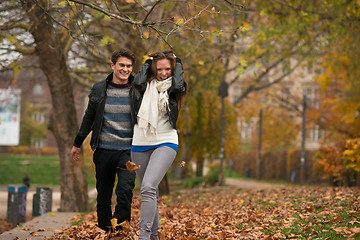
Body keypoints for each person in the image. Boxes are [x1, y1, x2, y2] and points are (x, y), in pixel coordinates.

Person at [71, 48, 136, 232]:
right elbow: (89, 118)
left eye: (129, 66)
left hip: (128, 151)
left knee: (125, 191)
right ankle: (105, 231)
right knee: (103, 197)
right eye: (122, 65)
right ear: (112, 65)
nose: (125, 69)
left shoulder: (138, 89)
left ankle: (121, 230)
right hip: (104, 150)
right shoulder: (99, 89)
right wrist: (77, 143)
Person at [130, 49, 186, 239]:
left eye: (168, 69)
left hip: (166, 140)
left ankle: (143, 236)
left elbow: (179, 84)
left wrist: (177, 61)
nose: (163, 73)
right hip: (140, 142)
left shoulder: (174, 88)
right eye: (160, 69)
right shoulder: (145, 86)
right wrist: (148, 61)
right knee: (149, 192)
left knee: (147, 187)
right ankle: (153, 236)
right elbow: (136, 81)